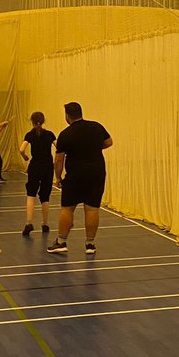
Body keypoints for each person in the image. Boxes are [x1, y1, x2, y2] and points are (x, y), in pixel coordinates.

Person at [47, 102, 113, 256]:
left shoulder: (65, 134)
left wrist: (58, 177)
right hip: (96, 173)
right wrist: (94, 148)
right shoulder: (97, 127)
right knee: (92, 208)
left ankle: (61, 242)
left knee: (68, 207)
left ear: (67, 116)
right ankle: (90, 244)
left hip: (75, 175)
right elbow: (109, 142)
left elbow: (58, 159)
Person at [19, 111, 56, 237]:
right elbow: (59, 147)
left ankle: (29, 223)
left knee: (31, 194)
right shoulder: (50, 134)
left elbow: (21, 149)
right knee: (45, 196)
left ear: (32, 121)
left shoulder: (30, 134)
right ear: (43, 120)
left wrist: (24, 157)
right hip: (47, 167)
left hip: (35, 167)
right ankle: (45, 224)